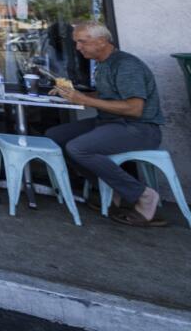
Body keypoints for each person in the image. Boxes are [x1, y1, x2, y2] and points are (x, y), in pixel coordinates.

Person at [46, 21, 166, 227]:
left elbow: (134, 108)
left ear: (101, 41)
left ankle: (143, 195)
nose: (78, 48)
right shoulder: (103, 64)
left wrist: (84, 100)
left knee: (78, 148)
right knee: (54, 137)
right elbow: (107, 95)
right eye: (76, 42)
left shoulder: (126, 65)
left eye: (82, 42)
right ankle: (109, 188)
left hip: (139, 128)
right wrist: (74, 95)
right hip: (108, 123)